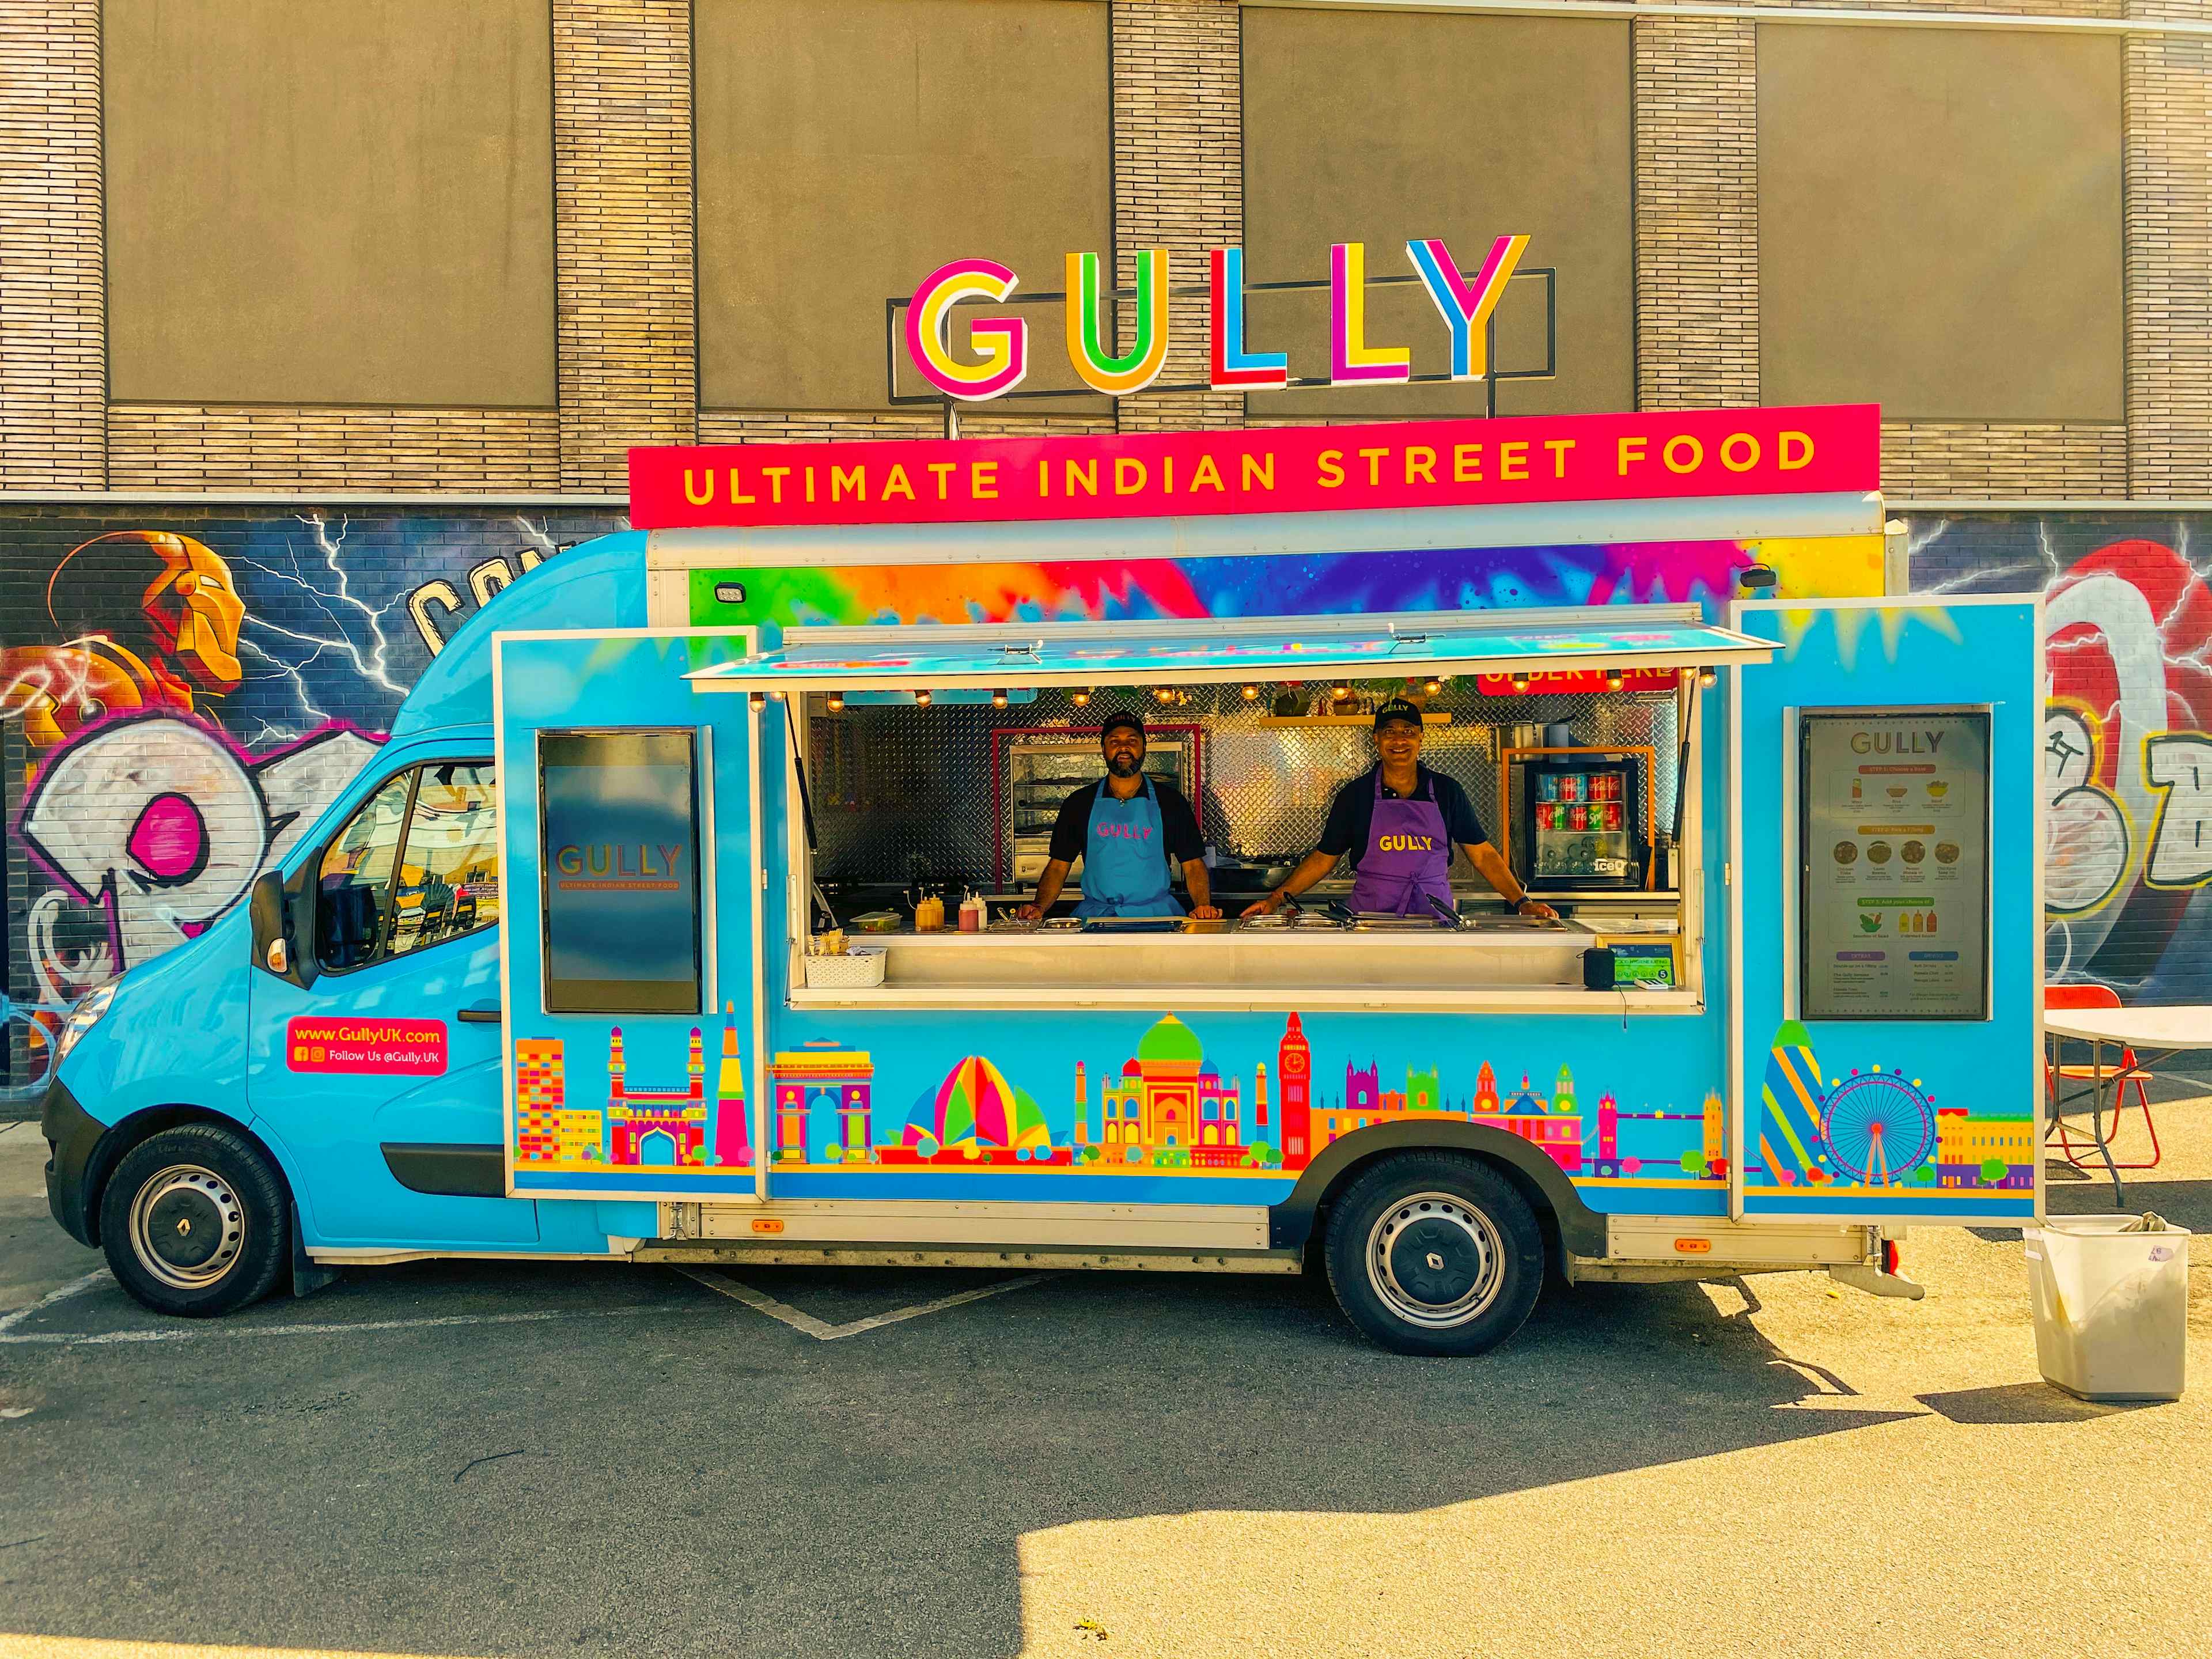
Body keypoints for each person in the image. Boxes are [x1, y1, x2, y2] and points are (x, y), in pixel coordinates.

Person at [1243, 698, 1558, 921]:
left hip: (1434, 921)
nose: (1399, 741)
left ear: (1421, 737)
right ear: (1377, 739)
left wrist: (1522, 902)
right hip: (1370, 921)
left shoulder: (1448, 791)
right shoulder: (1355, 796)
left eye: (1408, 731)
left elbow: (1483, 854)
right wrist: (1274, 900)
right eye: (1390, 732)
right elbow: (1324, 858)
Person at [1020, 712, 1219, 920]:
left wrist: (1203, 906)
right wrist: (1039, 906)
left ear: (1144, 747)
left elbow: (1193, 864)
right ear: (1103, 749)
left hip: (1157, 919)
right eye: (1115, 741)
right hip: (1097, 919)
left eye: (1132, 741)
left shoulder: (1171, 802)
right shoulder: (1079, 803)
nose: (1124, 747)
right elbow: (1059, 866)